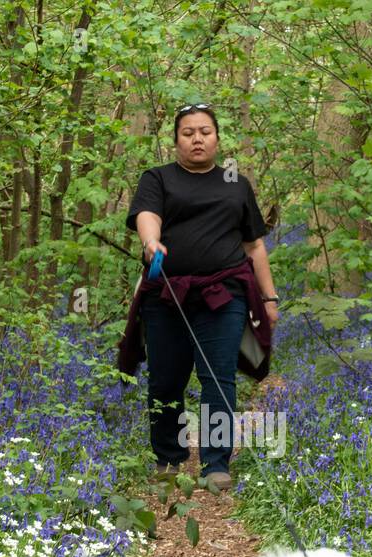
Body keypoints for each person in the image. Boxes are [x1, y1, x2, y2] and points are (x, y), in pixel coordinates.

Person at [120, 103, 281, 494]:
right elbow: (147, 215)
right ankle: (169, 459)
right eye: (188, 132)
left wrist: (270, 297)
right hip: (167, 295)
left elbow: (254, 245)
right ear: (176, 139)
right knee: (166, 380)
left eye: (205, 131)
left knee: (218, 378)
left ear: (217, 138)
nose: (197, 138)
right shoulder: (157, 178)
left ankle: (215, 463)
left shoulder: (234, 184)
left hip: (223, 296)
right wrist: (151, 242)